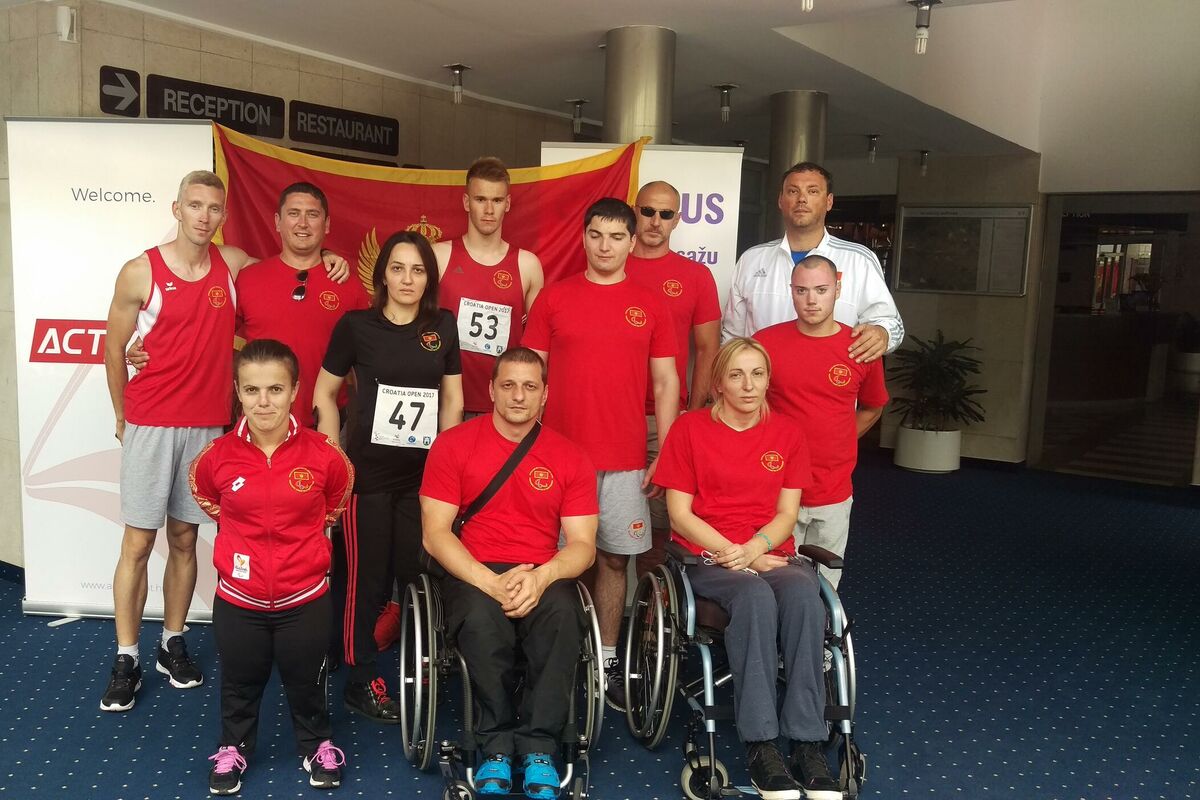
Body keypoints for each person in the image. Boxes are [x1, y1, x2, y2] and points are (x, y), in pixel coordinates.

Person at [100, 169, 348, 712]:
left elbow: (293, 265)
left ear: (223, 215)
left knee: (185, 538)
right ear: (177, 208)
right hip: (151, 421)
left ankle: (172, 643)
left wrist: (331, 259)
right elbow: (114, 348)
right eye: (195, 205)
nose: (204, 216)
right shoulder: (141, 271)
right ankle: (126, 657)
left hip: (209, 427)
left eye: (214, 208)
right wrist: (121, 415)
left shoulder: (233, 265)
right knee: (137, 543)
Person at [654, 337, 840, 800]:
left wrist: (755, 548)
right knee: (754, 596)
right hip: (705, 556)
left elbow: (786, 514)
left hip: (770, 552)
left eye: (757, 374)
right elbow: (680, 515)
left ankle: (807, 742)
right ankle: (761, 745)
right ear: (718, 383)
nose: (748, 385)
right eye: (736, 375)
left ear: (768, 379)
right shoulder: (689, 429)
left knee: (805, 596)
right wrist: (735, 554)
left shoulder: (788, 433)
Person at [522, 197, 679, 713]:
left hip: (625, 458)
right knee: (555, 561)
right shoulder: (554, 298)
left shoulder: (650, 304)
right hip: (558, 459)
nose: (605, 246)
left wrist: (666, 451)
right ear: (584, 238)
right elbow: (529, 376)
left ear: (632, 242)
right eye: (596, 235)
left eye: (616, 237)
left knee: (613, 559)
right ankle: (553, 657)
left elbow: (666, 382)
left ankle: (607, 659)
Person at [420, 347, 598, 800]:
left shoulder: (570, 456)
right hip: (474, 567)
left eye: (530, 386)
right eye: (509, 385)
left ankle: (539, 747)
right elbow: (435, 535)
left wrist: (542, 578)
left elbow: (583, 545)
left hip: (541, 569)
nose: (519, 396)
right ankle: (495, 745)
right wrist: (490, 583)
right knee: (481, 621)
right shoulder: (453, 445)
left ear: (545, 395)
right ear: (492, 390)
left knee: (563, 616)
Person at [189, 339, 353, 795]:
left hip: (305, 597)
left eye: (276, 389)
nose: (263, 402)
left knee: (307, 681)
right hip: (239, 597)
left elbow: (334, 504)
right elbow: (211, 500)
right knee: (239, 682)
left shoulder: (325, 455)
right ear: (238, 392)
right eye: (252, 390)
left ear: (295, 390)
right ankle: (232, 747)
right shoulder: (215, 457)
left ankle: (317, 744)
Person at [313, 230, 463, 723]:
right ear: (381, 276)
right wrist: (336, 458)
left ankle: (424, 665)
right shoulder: (356, 326)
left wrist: (448, 466)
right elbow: (323, 394)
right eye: (397, 268)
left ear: (429, 278)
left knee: (418, 576)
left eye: (417, 270)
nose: (407, 279)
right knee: (366, 582)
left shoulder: (442, 325)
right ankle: (361, 679)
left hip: (422, 482)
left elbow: (453, 400)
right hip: (368, 480)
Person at [754, 256, 888, 589]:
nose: (811, 300)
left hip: (832, 490)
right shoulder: (765, 343)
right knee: (772, 584)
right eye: (802, 290)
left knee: (825, 586)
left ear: (837, 290)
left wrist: (842, 440)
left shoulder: (859, 347)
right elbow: (745, 407)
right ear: (791, 291)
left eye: (821, 290)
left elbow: (873, 407)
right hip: (774, 487)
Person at [625, 180, 721, 579]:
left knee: (660, 528)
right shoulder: (609, 264)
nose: (655, 221)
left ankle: (649, 608)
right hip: (611, 418)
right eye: (648, 211)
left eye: (665, 214)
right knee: (594, 528)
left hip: (664, 420)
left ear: (677, 219)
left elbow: (708, 349)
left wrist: (691, 414)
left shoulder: (695, 276)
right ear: (635, 211)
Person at [721, 161, 904, 364]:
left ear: (829, 201)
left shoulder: (859, 260)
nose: (802, 199)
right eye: (793, 191)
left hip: (831, 380)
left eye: (813, 191)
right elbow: (732, 336)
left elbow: (891, 324)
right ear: (780, 200)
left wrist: (882, 333)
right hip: (762, 382)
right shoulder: (751, 260)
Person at [434, 157, 544, 418]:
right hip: (445, 402)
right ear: (466, 202)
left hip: (506, 406)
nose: (488, 209)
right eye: (480, 199)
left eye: (496, 200)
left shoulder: (527, 265)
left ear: (508, 204)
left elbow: (538, 347)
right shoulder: (438, 256)